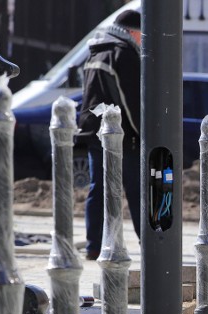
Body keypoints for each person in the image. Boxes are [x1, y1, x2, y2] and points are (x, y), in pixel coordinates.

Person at [77, 9, 142, 261]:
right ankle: (149, 242)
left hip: (95, 131)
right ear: (132, 32)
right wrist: (140, 132)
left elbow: (88, 96)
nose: (142, 41)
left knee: (99, 189)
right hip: (122, 135)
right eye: (141, 35)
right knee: (137, 191)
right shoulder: (123, 54)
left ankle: (94, 245)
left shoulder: (95, 52)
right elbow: (130, 102)